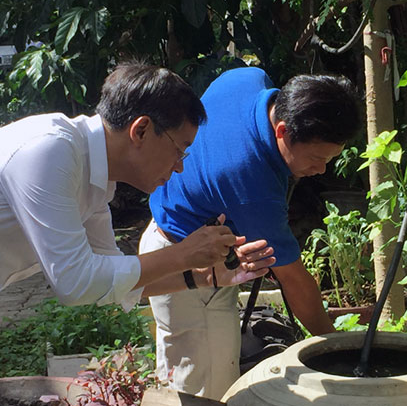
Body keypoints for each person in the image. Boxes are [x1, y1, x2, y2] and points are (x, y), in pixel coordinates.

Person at [140, 66, 362, 399]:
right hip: (188, 277)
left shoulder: (248, 80)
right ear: (283, 130)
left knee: (178, 372)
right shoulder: (252, 183)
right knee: (207, 397)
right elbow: (293, 279)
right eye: (317, 157)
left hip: (165, 237)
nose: (321, 170)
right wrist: (338, 353)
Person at [0, 62, 275, 313]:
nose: (179, 166)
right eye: (180, 150)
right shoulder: (49, 150)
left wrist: (205, 276)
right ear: (141, 130)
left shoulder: (95, 177)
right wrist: (182, 254)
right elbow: (75, 282)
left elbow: (112, 281)